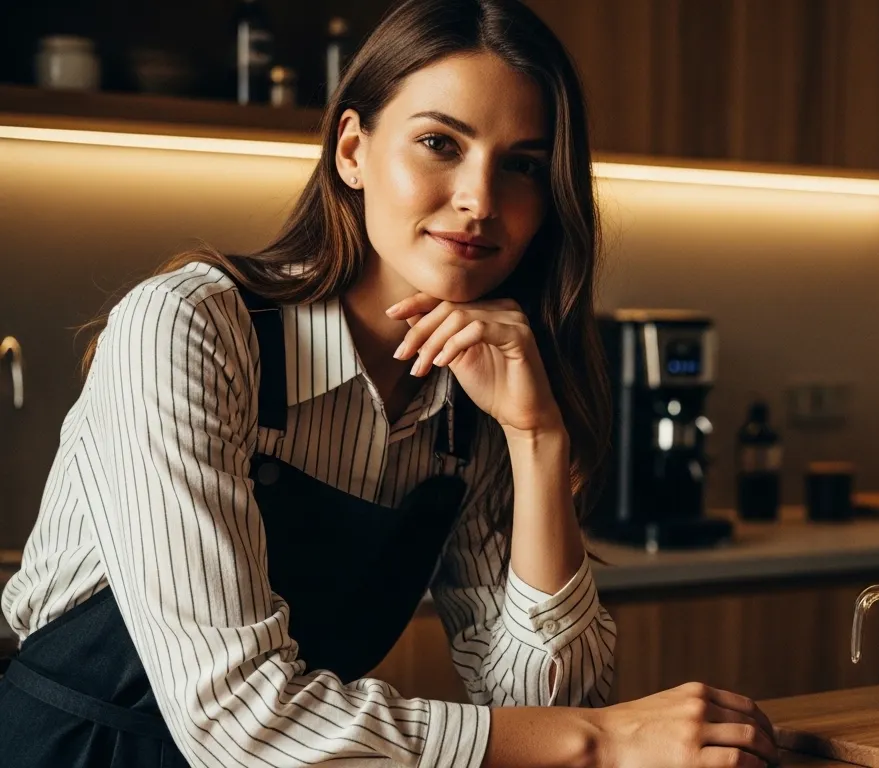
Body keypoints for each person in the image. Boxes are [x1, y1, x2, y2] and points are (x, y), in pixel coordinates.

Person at [0, 1, 779, 766]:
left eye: (523, 166)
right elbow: (238, 719)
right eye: (441, 142)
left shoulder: (476, 396)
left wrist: (535, 437)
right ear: (352, 151)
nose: (480, 199)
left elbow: (544, 711)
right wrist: (604, 740)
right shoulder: (189, 327)